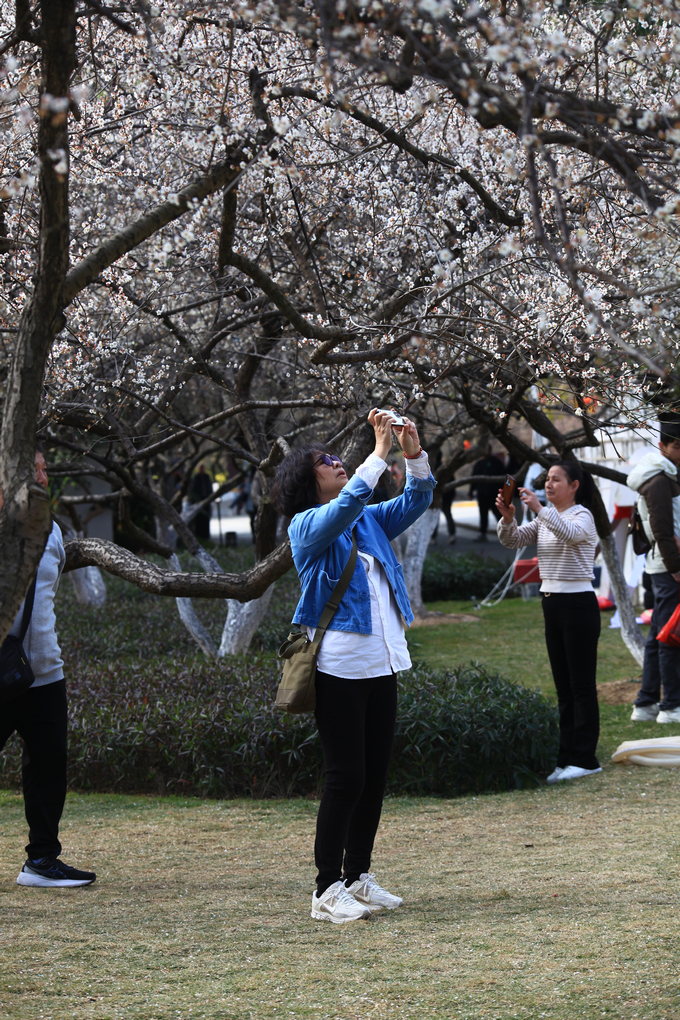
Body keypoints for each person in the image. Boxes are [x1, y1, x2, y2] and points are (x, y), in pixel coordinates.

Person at [272, 409, 435, 924]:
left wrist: (412, 453)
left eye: (337, 457)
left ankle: (358, 877)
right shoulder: (307, 527)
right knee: (345, 777)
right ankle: (326, 889)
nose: (337, 462)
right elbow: (345, 506)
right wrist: (377, 452)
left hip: (382, 660)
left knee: (373, 776)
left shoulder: (365, 518)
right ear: (306, 480)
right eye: (326, 461)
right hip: (339, 665)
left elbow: (417, 500)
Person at [1, 450, 96, 887]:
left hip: (44, 673)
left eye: (44, 468)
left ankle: (41, 860)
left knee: (49, 768)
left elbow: (47, 599)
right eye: (33, 469)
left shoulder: (52, 531)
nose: (44, 475)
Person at [495, 461, 601, 784]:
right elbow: (513, 540)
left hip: (579, 604)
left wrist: (540, 508)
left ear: (574, 486)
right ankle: (566, 756)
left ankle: (585, 758)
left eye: (556, 480)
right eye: (547, 480)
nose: (549, 484)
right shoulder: (545, 520)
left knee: (581, 684)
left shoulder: (582, 516)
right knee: (563, 685)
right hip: (552, 603)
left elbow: (569, 535)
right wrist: (508, 519)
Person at [626, 425, 680, 723]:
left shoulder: (662, 474)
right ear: (663, 446)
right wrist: (676, 567)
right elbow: (662, 528)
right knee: (669, 636)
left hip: (664, 565)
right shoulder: (658, 479)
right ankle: (671, 706)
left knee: (659, 633)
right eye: (678, 446)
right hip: (668, 567)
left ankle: (646, 703)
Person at [469, 446, 505, 540]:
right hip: (482, 493)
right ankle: (483, 533)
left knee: (498, 513)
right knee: (483, 514)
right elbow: (474, 479)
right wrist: (471, 491)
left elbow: (503, 478)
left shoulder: (496, 462)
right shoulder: (479, 464)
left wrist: (503, 493)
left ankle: (505, 532)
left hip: (494, 493)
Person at [187, 463, 213, 540]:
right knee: (198, 520)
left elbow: (209, 488)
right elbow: (193, 490)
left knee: (206, 519)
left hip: (206, 500)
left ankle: (206, 536)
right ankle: (199, 536)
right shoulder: (196, 477)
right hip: (198, 501)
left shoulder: (207, 476)